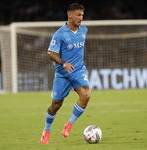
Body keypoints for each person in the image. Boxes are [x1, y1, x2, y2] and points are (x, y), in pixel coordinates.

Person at [41, 3, 91, 144]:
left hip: (78, 71)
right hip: (62, 73)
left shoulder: (84, 30)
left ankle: (68, 124)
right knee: (56, 105)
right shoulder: (60, 34)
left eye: (82, 15)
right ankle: (46, 130)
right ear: (70, 15)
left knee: (86, 95)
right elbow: (50, 53)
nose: (81, 18)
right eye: (78, 15)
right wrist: (63, 63)